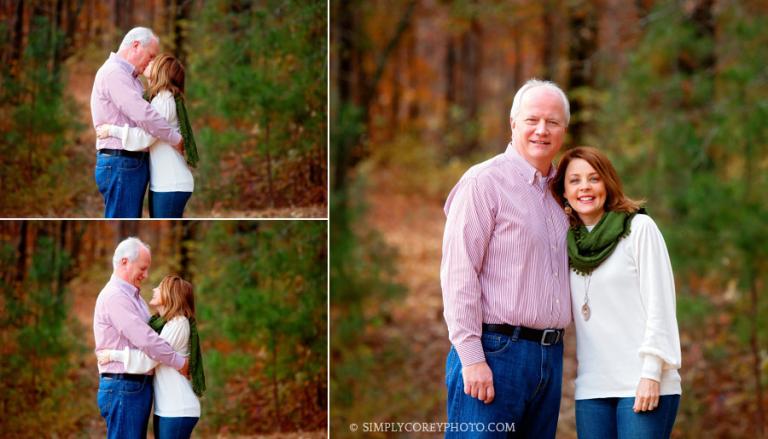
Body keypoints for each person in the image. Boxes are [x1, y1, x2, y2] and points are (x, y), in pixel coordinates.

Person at [441, 79, 571, 438]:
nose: (541, 130)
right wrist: (471, 356)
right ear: (513, 123)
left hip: (550, 357)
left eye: (553, 122)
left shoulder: (565, 193)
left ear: (564, 130)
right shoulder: (484, 183)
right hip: (496, 352)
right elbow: (458, 273)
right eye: (532, 120)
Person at [549, 146, 682, 438]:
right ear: (564, 192)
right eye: (574, 180)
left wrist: (650, 374)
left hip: (644, 382)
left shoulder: (639, 228)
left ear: (607, 184)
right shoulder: (567, 243)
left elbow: (661, 307)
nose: (585, 187)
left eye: (593, 178)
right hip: (592, 388)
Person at [94, 237, 190, 439]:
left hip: (132, 386)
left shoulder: (133, 297)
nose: (146, 275)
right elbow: (146, 340)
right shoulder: (115, 297)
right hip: (124, 386)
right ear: (124, 262)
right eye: (143, 268)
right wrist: (179, 362)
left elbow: (153, 336)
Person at [91, 27, 184, 218]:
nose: (152, 62)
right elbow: (144, 115)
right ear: (135, 46)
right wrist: (175, 138)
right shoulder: (114, 73)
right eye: (150, 56)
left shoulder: (131, 78)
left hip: (127, 162)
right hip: (121, 162)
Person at [97, 275, 205, 439]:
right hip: (167, 408)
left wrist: (114, 355)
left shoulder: (178, 323)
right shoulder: (164, 325)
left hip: (178, 407)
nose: (154, 289)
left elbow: (149, 358)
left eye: (160, 287)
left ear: (170, 295)